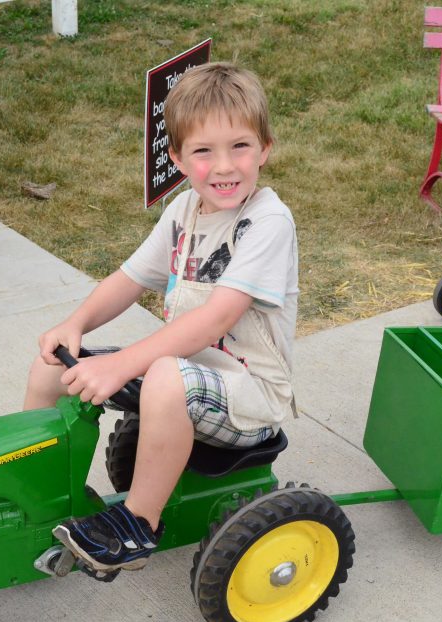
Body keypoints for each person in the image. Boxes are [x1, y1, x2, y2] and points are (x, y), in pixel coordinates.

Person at [23, 62, 298, 576]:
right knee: (53, 368)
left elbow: (218, 316)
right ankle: (36, 498)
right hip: (189, 373)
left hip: (251, 395)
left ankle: (137, 526)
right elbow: (130, 279)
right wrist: (76, 323)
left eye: (240, 146)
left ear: (265, 148)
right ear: (176, 158)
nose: (223, 167)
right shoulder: (184, 212)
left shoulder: (268, 223)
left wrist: (124, 364)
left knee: (165, 373)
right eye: (202, 152)